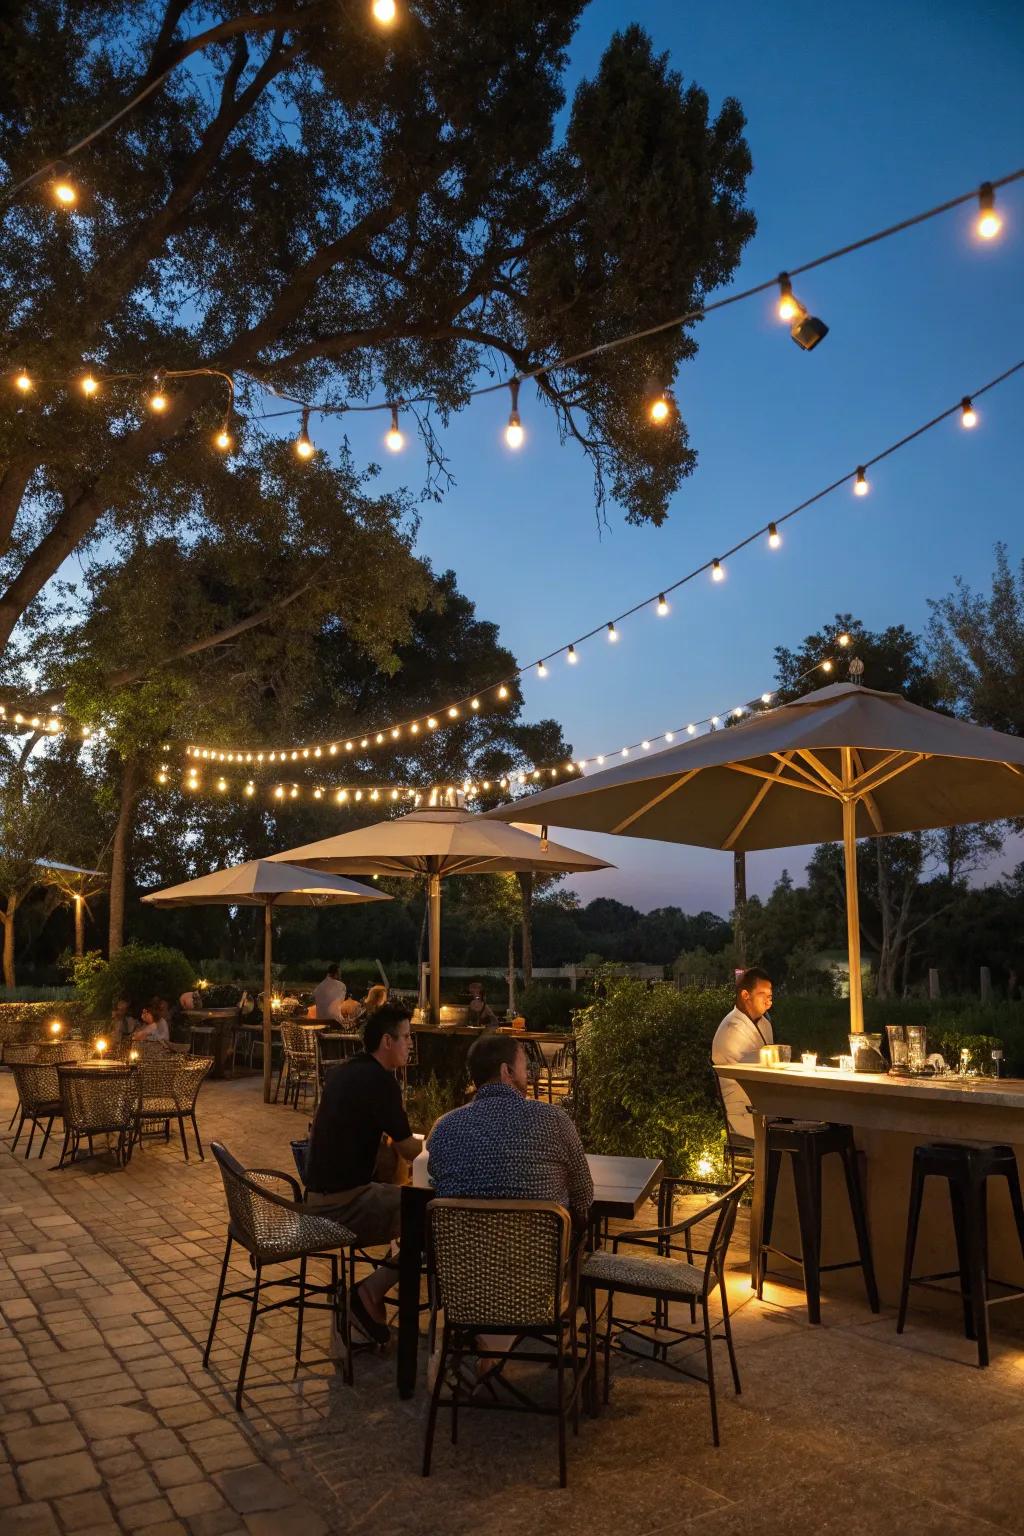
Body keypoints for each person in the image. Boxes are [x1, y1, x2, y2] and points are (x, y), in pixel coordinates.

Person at [427, 1033, 593, 1385]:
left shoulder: (444, 1130)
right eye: (524, 1066)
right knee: (579, 1242)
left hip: (465, 1288)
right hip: (536, 1285)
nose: (528, 1073)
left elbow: (438, 1185)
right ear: (506, 1071)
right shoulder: (554, 1121)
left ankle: (483, 1341)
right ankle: (566, 1361)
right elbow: (584, 1198)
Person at [304, 1004, 421, 1346]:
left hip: (318, 1197)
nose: (411, 1044)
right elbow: (410, 1150)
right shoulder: (380, 1082)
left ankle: (371, 1292)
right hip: (342, 1206)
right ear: (387, 1041)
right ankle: (369, 1292)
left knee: (410, 1204)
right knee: (430, 1216)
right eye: (407, 1037)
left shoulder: (346, 1071)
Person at [712, 966, 774, 1140]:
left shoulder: (765, 1024)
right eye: (764, 996)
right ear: (745, 995)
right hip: (744, 1112)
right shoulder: (731, 1030)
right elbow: (756, 1074)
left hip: (764, 1104)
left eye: (770, 997)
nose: (769, 1003)